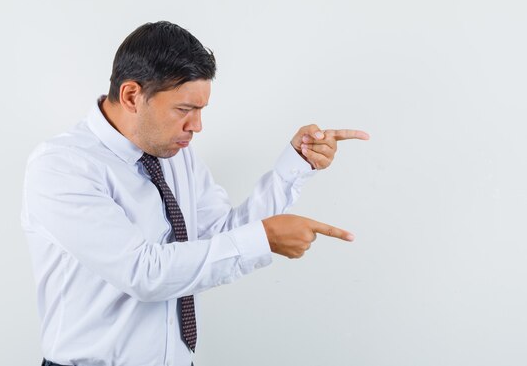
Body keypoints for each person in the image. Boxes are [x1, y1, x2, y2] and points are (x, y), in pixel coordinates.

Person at [21, 21, 369, 366]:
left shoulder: (176, 154)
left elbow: (220, 236)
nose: (196, 126)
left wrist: (294, 166)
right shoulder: (62, 166)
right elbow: (143, 273)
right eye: (184, 110)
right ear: (131, 96)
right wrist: (265, 237)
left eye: (201, 110)